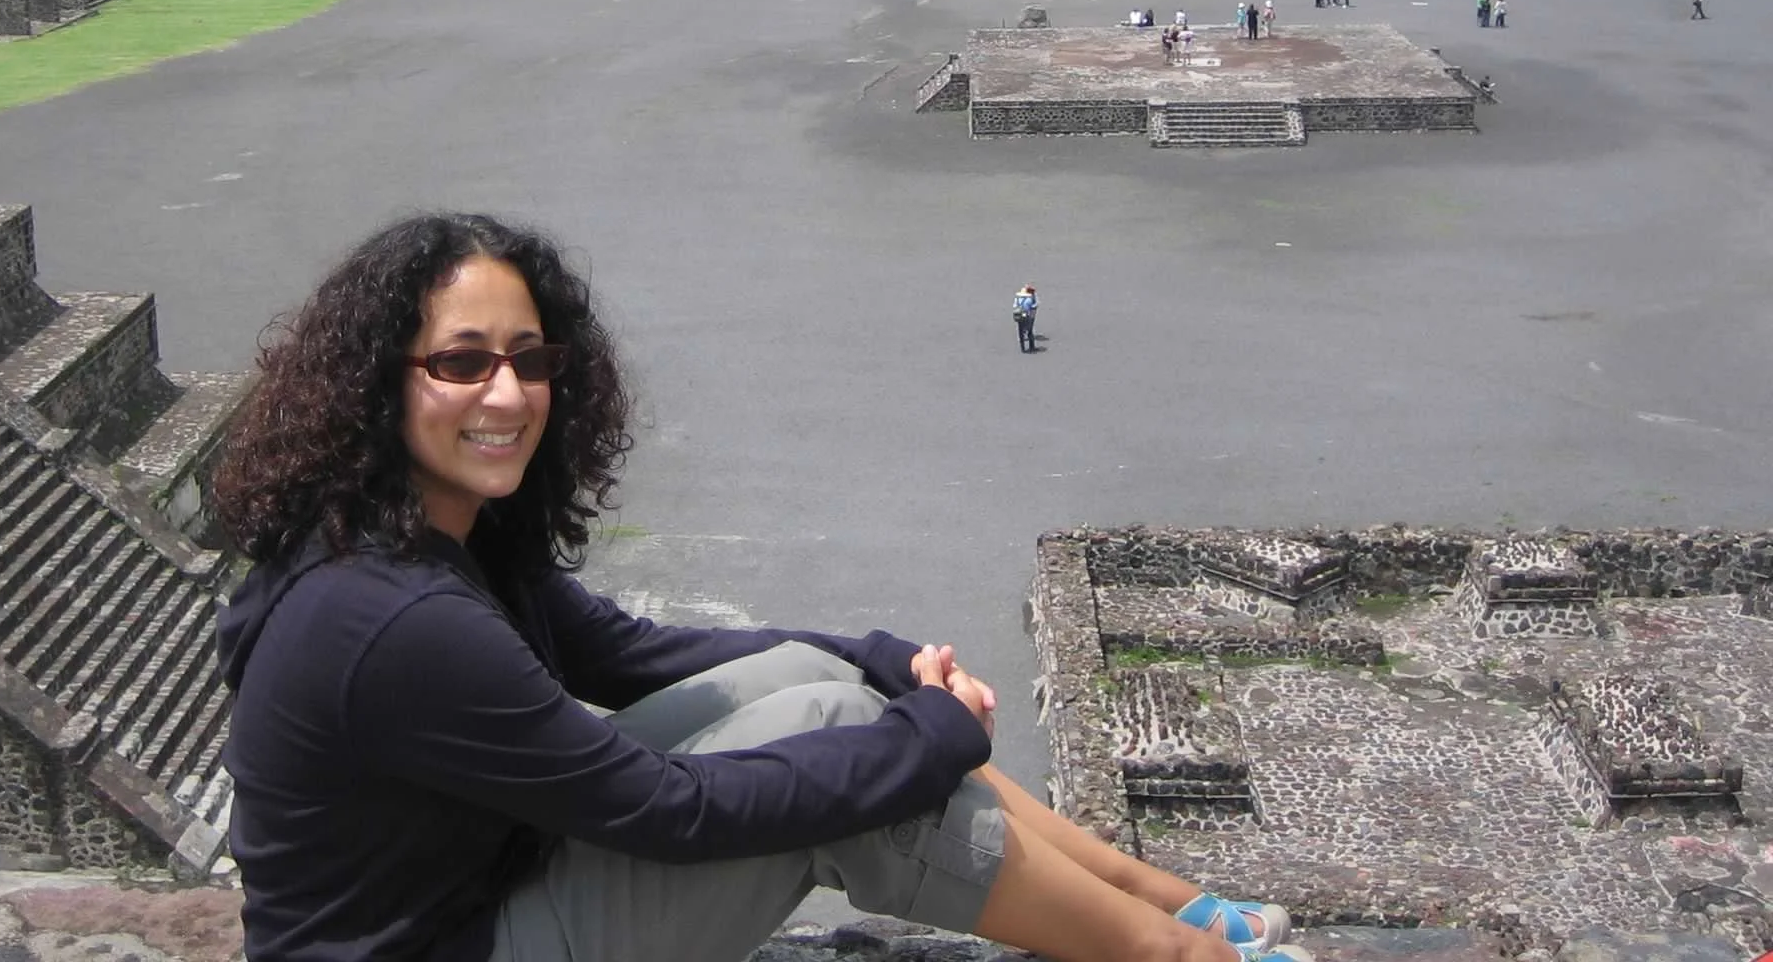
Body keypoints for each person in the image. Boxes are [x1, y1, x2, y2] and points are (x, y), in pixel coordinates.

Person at [211, 221, 1304, 962]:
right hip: (444, 944)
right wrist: (922, 741)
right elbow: (668, 813)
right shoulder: (393, 616)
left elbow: (631, 656)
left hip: (480, 888)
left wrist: (871, 656)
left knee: (812, 683)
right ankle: (1177, 952)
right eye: (460, 362)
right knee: (852, 787)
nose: (507, 391)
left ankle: (1163, 899)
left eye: (529, 358)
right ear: (376, 382)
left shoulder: (435, 536)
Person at [1013, 283, 1039, 353]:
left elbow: (1014, 306)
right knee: (1030, 331)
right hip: (1026, 316)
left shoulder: (1017, 299)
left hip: (1019, 315)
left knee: (1020, 331)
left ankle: (1022, 348)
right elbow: (1033, 307)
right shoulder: (1029, 300)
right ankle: (1032, 346)